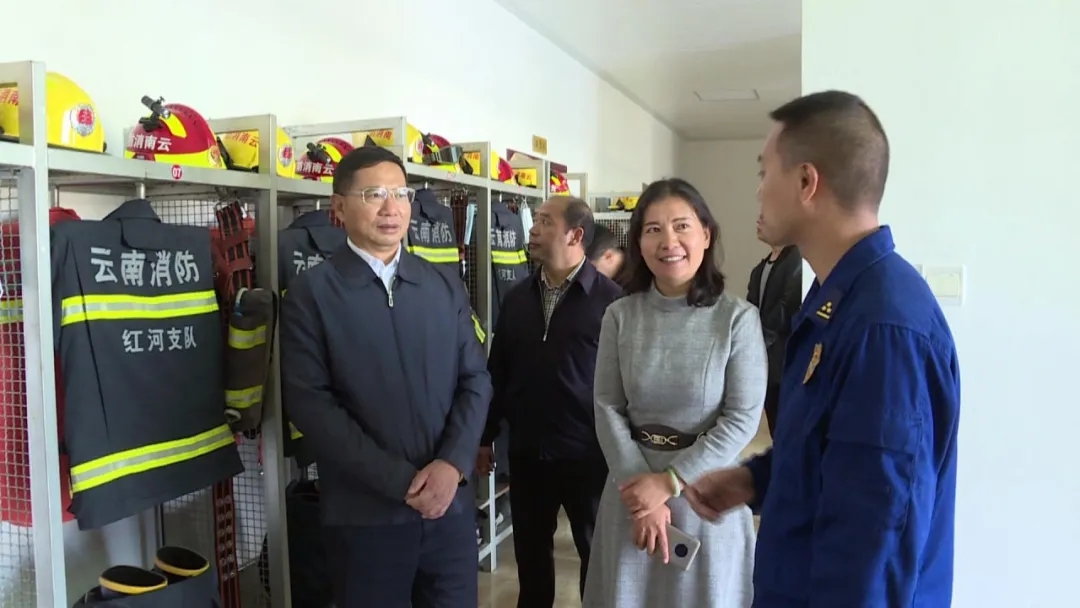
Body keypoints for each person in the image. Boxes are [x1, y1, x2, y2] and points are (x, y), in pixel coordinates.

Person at [685, 91, 961, 607]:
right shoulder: (837, 299)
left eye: (765, 172)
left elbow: (876, 541)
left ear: (806, 182)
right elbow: (829, 458)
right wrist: (753, 480)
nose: (759, 190)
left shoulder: (884, 325)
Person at [279, 145, 493, 608]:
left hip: (449, 511)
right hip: (366, 518)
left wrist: (452, 464)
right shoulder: (311, 295)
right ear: (339, 207)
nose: (391, 208)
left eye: (400, 194)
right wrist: (401, 482)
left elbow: (475, 379)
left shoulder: (441, 284)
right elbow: (311, 405)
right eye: (374, 194)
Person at [582, 178, 766, 608]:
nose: (669, 242)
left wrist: (669, 483)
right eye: (653, 229)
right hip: (631, 491)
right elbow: (607, 406)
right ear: (638, 243)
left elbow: (741, 418)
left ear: (706, 234)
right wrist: (642, 497)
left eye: (682, 226)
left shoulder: (737, 319)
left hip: (707, 493)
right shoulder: (619, 316)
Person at [477, 196, 623, 608]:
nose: (533, 229)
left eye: (544, 221)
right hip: (528, 453)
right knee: (531, 557)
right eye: (535, 220)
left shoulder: (612, 302)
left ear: (575, 235)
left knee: (596, 554)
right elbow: (498, 370)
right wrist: (485, 436)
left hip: (589, 455)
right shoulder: (518, 298)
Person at [746, 242, 802, 436]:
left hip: (782, 358)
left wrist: (761, 338)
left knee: (785, 424)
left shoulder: (796, 259)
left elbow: (788, 305)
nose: (758, 226)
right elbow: (750, 309)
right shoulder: (760, 268)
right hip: (764, 357)